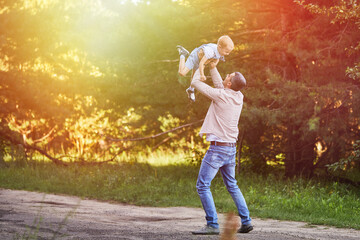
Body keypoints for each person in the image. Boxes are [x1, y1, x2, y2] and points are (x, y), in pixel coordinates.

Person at [190, 62, 253, 235]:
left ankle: (212, 224)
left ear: (230, 84)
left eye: (229, 76)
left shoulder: (222, 96)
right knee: (232, 185)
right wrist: (212, 67)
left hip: (218, 150)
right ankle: (246, 221)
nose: (226, 76)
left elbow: (196, 84)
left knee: (202, 185)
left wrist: (199, 67)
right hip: (230, 149)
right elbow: (220, 86)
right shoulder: (238, 96)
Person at [176, 35, 234, 102]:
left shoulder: (220, 52)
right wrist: (202, 75)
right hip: (195, 57)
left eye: (229, 52)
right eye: (226, 52)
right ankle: (183, 54)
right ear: (219, 47)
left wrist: (215, 64)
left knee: (193, 77)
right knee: (182, 73)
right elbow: (201, 63)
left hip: (200, 61)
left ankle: (191, 90)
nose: (227, 54)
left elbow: (218, 58)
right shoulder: (210, 52)